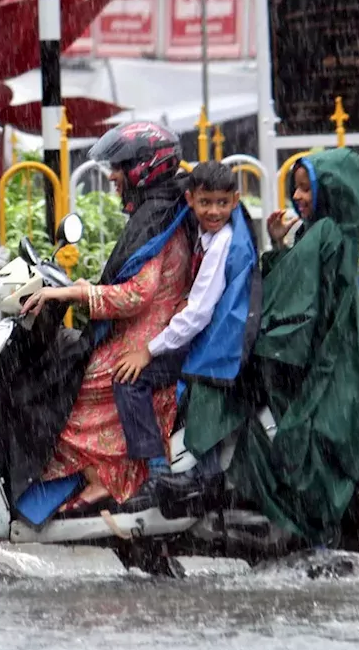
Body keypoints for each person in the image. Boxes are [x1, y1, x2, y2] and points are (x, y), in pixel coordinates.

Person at [179, 149, 359, 547]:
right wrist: (279, 244)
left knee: (279, 431)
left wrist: (264, 341)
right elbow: (294, 286)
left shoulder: (327, 235)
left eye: (306, 188)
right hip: (314, 355)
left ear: (330, 190)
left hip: (319, 359)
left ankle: (215, 487)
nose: (298, 197)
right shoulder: (321, 233)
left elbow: (298, 302)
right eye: (296, 188)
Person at [19, 122, 192, 513]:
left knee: (67, 389)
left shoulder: (158, 214)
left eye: (120, 166)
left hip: (151, 332)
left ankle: (105, 481)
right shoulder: (158, 209)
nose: (113, 175)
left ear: (144, 168)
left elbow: (135, 295)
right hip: (150, 325)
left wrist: (74, 292)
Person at [111, 161, 259, 481]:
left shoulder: (221, 244)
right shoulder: (209, 236)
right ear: (190, 199)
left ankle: (156, 473)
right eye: (205, 202)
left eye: (222, 203)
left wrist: (148, 351)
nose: (214, 211)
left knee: (128, 378)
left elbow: (198, 314)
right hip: (214, 342)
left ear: (235, 200)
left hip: (212, 349)